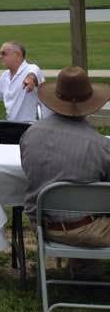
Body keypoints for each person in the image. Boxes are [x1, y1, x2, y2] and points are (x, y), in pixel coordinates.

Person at [20, 66, 110, 250]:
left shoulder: (30, 134)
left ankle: (83, 268)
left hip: (40, 225)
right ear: (90, 102)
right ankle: (85, 270)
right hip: (88, 229)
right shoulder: (100, 146)